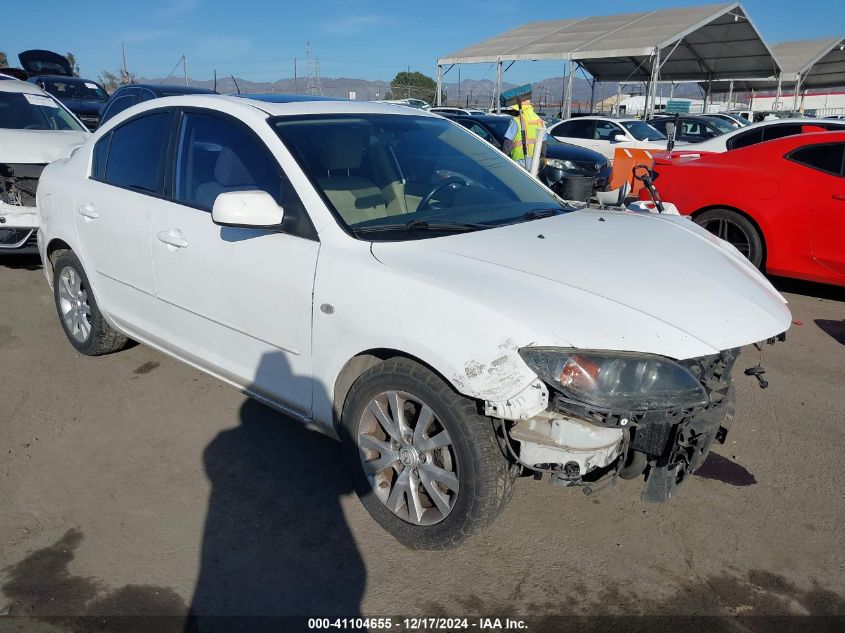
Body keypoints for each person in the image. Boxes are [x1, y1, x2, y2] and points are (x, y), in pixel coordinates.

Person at [500, 95, 546, 171]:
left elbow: (508, 143)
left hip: (519, 160)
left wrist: (503, 156)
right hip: (535, 161)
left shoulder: (517, 121)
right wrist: (541, 157)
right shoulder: (539, 120)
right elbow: (543, 144)